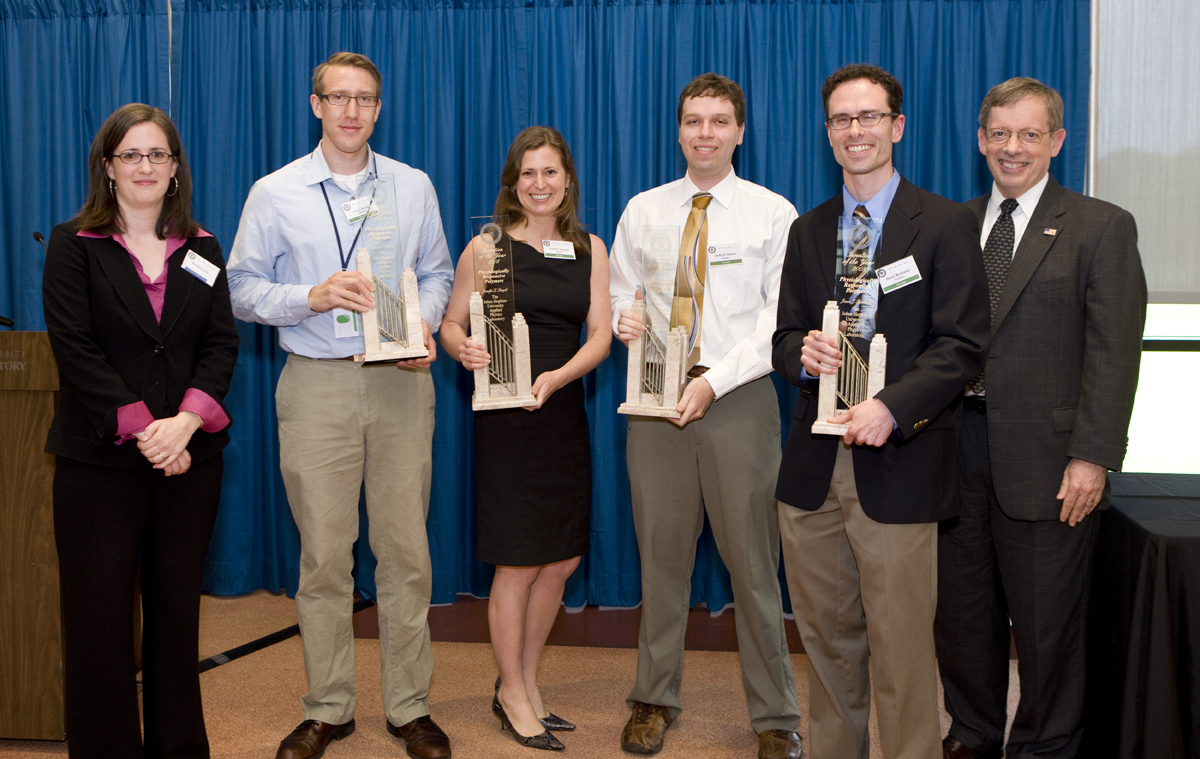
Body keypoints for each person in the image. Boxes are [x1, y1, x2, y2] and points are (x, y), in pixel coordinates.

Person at [226, 52, 454, 759]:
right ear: (316, 104)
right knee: (325, 556)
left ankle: (408, 706)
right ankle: (328, 707)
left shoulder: (412, 186)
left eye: (365, 99)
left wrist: (425, 323)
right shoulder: (276, 191)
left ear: (379, 109)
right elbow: (238, 288)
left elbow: (437, 271)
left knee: (405, 553)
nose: (352, 111)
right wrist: (309, 296)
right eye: (339, 98)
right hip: (316, 382)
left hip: (400, 383)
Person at [772, 63, 990, 759]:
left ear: (896, 126)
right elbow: (781, 337)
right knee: (830, 655)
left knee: (899, 655)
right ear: (828, 132)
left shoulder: (948, 224)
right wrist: (798, 353)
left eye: (868, 117)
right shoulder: (808, 231)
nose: (855, 130)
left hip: (897, 463)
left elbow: (962, 346)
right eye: (841, 119)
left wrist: (891, 410)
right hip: (813, 471)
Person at [935, 77, 1147, 759]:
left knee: (1049, 624)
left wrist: (1093, 455)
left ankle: (1045, 745)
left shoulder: (1101, 225)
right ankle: (971, 732)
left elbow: (1115, 352)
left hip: (1051, 459)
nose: (1012, 147)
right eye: (999, 133)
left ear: (1057, 140)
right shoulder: (953, 225)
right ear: (980, 140)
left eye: (1029, 134)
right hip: (954, 449)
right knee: (963, 615)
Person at [609, 72, 804, 759]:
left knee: (752, 564)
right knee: (661, 562)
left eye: (719, 121)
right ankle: (652, 698)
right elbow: (618, 294)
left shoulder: (772, 214)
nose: (705, 133)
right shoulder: (644, 209)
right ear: (679, 128)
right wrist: (623, 319)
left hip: (738, 400)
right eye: (693, 120)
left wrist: (715, 381)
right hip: (654, 405)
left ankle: (777, 714)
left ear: (740, 131)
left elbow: (780, 321)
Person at [41, 102, 238, 758]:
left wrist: (183, 425)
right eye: (132, 155)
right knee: (98, 630)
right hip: (99, 466)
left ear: (176, 168)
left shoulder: (203, 247)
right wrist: (147, 431)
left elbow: (221, 345)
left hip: (190, 463)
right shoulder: (74, 245)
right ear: (108, 167)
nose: (145, 166)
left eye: (158, 154)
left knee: (177, 622)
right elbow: (75, 349)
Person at [440, 125, 611, 751]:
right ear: (513, 181)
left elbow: (599, 333)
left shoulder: (591, 246)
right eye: (528, 173)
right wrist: (464, 350)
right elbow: (450, 325)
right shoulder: (485, 248)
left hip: (562, 410)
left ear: (567, 180)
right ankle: (510, 690)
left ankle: (527, 681)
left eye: (551, 172)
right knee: (518, 560)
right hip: (507, 417)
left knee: (561, 556)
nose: (540, 184)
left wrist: (560, 377)